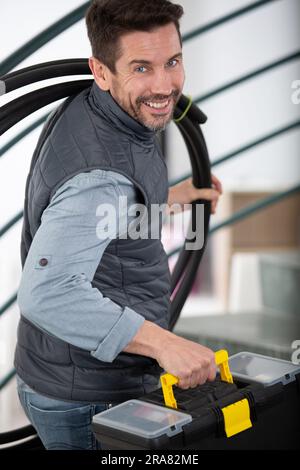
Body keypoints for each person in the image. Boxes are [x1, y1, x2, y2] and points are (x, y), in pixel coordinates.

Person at [15, 0, 223, 450]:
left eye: (172, 61)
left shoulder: (103, 112)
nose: (165, 84)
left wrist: (168, 197)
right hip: (91, 395)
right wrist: (164, 345)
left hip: (62, 373)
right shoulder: (101, 175)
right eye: (142, 68)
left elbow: (99, 214)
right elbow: (47, 292)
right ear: (101, 70)